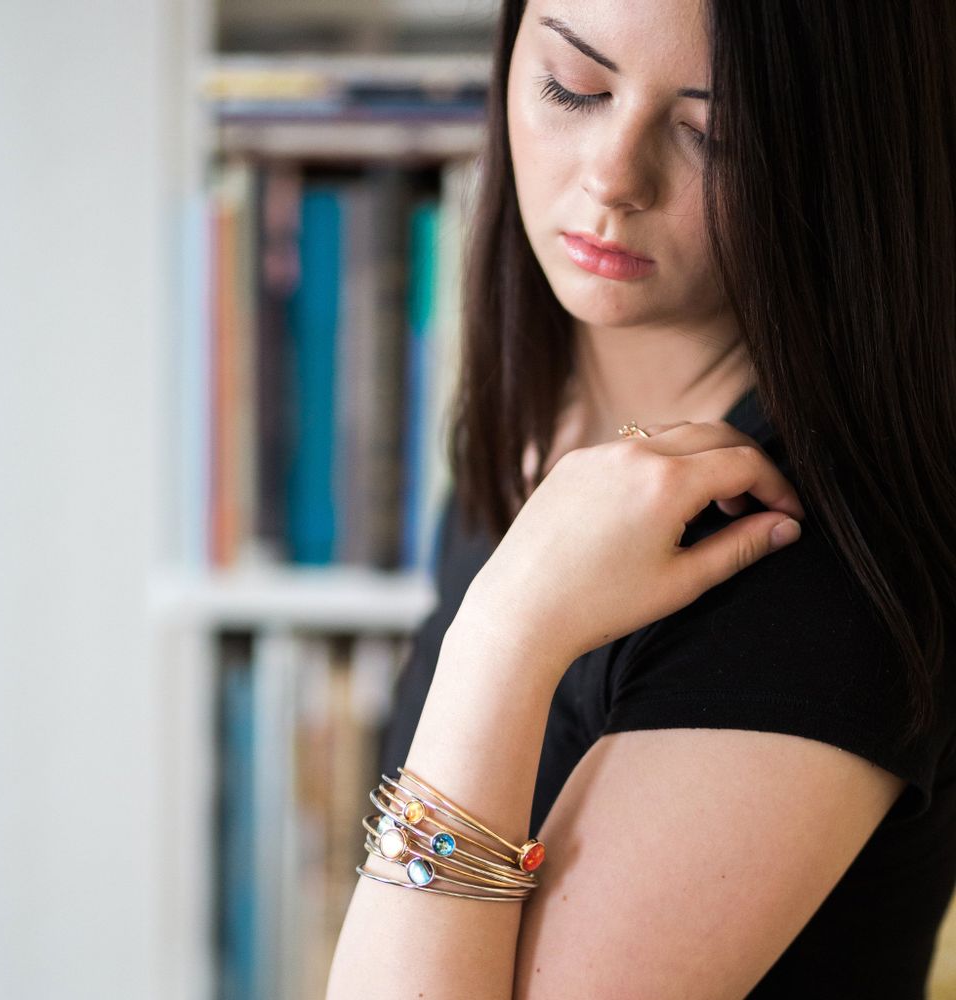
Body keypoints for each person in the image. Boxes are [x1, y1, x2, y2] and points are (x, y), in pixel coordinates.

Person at [328, 1, 956, 997]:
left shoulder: (810, 567)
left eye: (716, 135)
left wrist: (505, 631)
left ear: (837, 159)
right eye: (571, 85)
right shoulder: (539, 415)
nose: (614, 177)